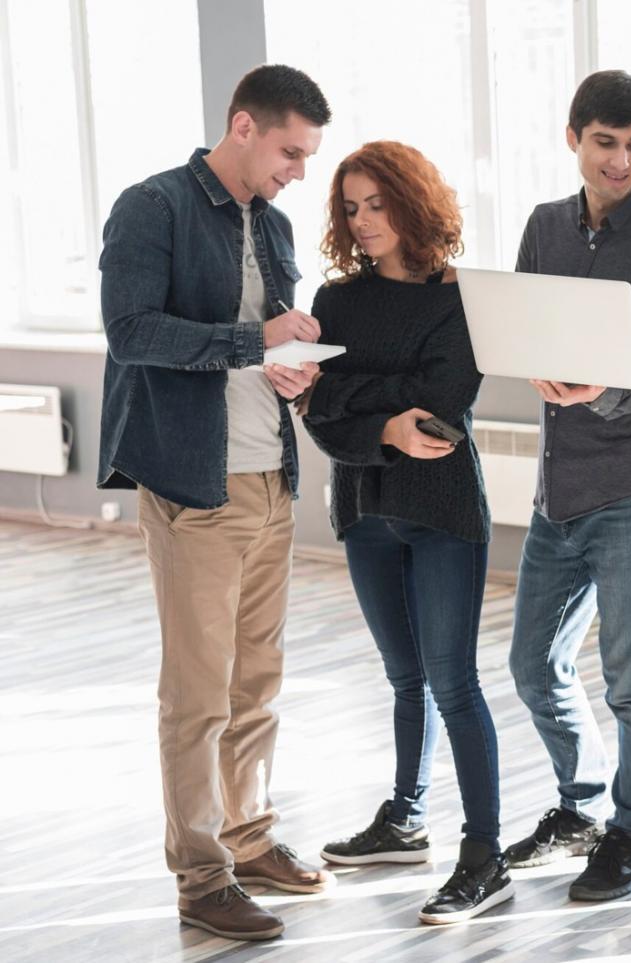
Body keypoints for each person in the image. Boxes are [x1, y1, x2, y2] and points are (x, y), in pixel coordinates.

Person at [96, 64, 334, 942]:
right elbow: (131, 332)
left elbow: (261, 339)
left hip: (268, 474)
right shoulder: (151, 206)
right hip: (194, 484)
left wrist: (288, 359)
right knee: (198, 695)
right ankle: (202, 875)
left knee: (256, 682)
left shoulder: (269, 224)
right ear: (243, 126)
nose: (297, 173)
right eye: (289, 152)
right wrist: (253, 338)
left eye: (306, 157)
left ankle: (250, 832)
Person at [262, 141, 508, 925]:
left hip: (441, 513)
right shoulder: (334, 299)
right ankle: (405, 818)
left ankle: (485, 855)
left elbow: (439, 406)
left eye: (376, 203)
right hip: (364, 508)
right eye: (351, 206)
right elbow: (318, 413)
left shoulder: (462, 298)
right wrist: (383, 424)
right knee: (404, 680)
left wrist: (354, 395)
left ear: (414, 202)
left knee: (453, 683)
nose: (361, 220)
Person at [503, 69, 631, 902]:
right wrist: (539, 369)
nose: (620, 160)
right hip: (558, 489)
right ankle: (582, 801)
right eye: (605, 143)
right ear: (573, 139)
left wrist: (601, 390)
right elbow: (519, 321)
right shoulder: (544, 226)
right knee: (531, 663)